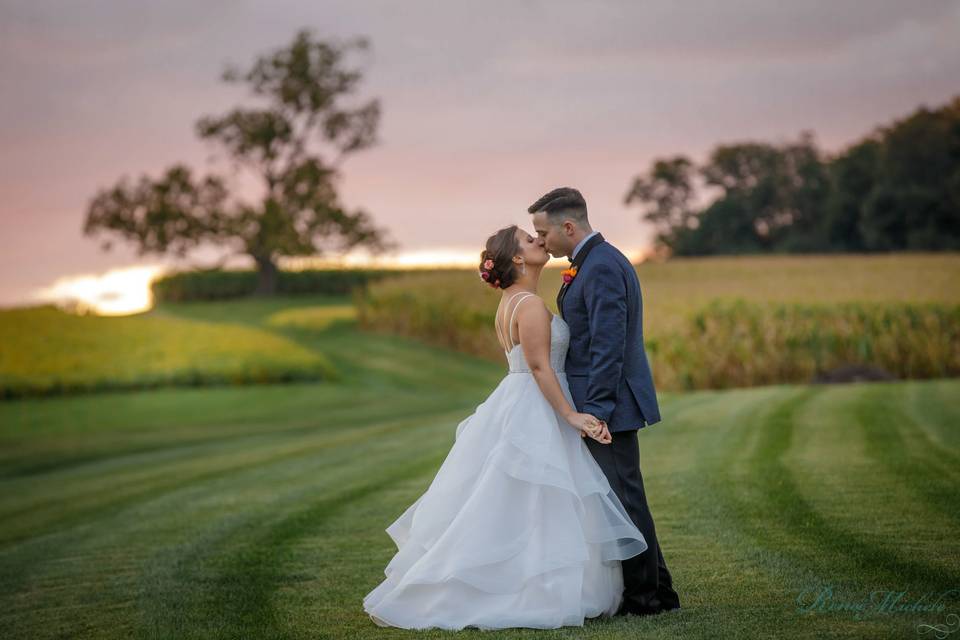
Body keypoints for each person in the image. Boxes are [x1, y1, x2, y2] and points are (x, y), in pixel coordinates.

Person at [362, 224, 649, 630]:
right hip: (538, 403)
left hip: (521, 400)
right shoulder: (528, 305)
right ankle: (536, 589)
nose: (540, 242)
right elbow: (538, 367)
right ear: (517, 258)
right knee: (539, 498)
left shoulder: (512, 302)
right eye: (530, 241)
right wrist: (571, 415)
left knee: (526, 498)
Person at [528, 186, 681, 616]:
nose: (541, 241)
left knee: (625, 499)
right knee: (625, 496)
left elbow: (608, 347)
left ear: (569, 226)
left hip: (609, 406)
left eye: (544, 232)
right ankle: (660, 593)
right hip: (606, 402)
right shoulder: (594, 262)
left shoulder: (601, 267)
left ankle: (645, 599)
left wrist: (596, 411)